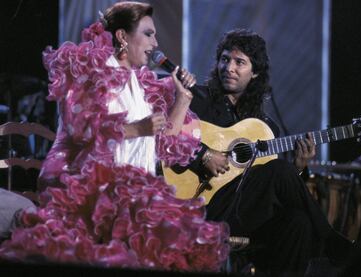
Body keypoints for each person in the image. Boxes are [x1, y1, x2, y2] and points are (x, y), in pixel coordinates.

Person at [0, 2, 229, 272]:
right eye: (148, 34)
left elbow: (165, 141)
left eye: (154, 35)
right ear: (122, 36)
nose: (155, 43)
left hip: (131, 190)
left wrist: (182, 98)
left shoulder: (142, 84)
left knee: (174, 236)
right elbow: (82, 130)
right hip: (84, 187)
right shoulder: (91, 71)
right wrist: (136, 129)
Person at [186, 29, 353, 276]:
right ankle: (329, 238)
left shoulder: (265, 127)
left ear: (254, 73)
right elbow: (168, 134)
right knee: (279, 170)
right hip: (203, 204)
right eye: (224, 59)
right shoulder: (197, 99)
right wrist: (204, 155)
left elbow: (265, 189)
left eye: (239, 62)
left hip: (243, 213)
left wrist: (297, 168)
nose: (229, 67)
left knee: (300, 222)